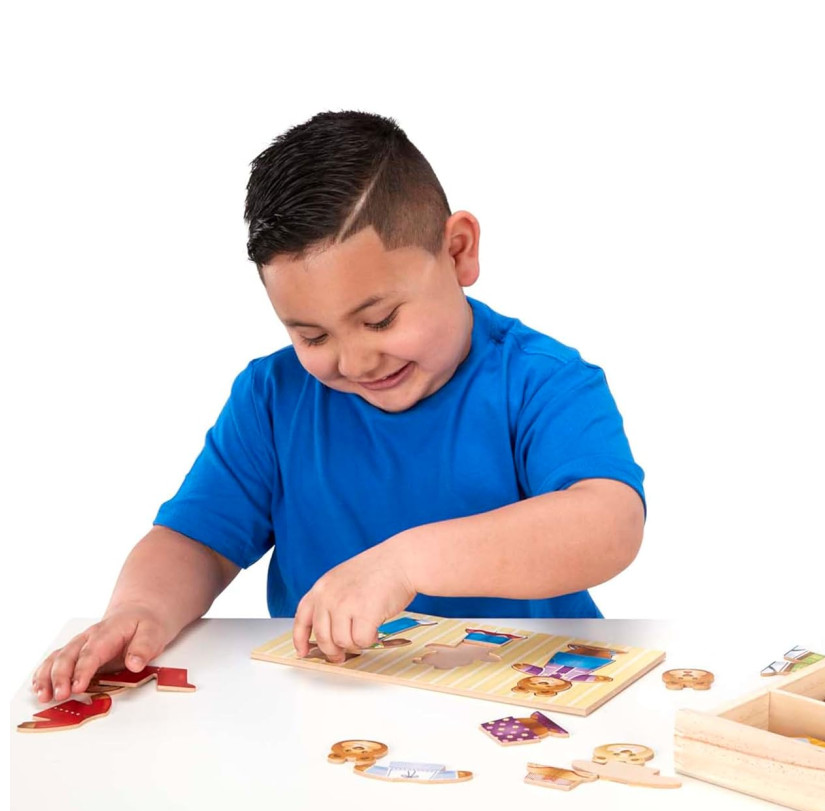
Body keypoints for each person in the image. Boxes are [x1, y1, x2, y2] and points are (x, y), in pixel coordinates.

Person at [32, 110, 646, 704]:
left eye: (380, 319)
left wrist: (405, 563)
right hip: (334, 702)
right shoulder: (272, 398)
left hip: (526, 696)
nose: (354, 362)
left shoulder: (542, 381)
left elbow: (610, 524)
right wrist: (139, 609)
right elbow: (197, 542)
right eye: (313, 336)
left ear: (458, 251)